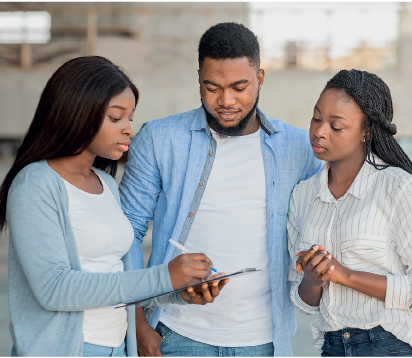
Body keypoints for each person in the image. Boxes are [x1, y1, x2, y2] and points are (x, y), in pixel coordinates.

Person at [0, 56, 228, 357]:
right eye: (115, 118)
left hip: (117, 347)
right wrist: (162, 276)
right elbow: (53, 288)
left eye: (130, 117)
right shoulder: (35, 184)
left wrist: (179, 292)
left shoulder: (108, 184)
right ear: (77, 113)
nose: (128, 128)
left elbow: (114, 274)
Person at [119, 22, 323, 357]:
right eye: (211, 87)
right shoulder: (159, 139)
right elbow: (125, 233)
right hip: (175, 334)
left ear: (260, 78)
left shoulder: (298, 147)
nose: (225, 101)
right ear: (198, 77)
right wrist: (137, 320)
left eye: (239, 87)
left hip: (262, 340)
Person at [287, 69, 412, 357]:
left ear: (366, 131)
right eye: (316, 117)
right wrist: (313, 279)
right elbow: (303, 301)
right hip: (333, 347)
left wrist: (347, 276)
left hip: (391, 345)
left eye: (336, 126)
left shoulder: (398, 188)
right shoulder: (303, 195)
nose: (319, 131)